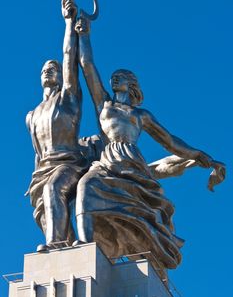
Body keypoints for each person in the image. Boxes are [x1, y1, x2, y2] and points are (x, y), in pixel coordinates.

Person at [74, 16, 224, 278]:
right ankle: (84, 246)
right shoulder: (104, 106)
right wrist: (84, 34)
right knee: (86, 186)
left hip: (132, 162)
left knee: (144, 213)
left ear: (131, 85)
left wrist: (202, 157)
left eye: (119, 77)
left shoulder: (141, 115)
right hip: (108, 161)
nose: (113, 79)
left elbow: (171, 141)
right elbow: (87, 66)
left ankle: (150, 252)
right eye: (113, 77)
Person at [26, 0, 89, 251]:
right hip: (42, 169)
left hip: (69, 163)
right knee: (44, 208)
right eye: (43, 70)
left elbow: (69, 57)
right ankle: (67, 247)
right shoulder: (31, 115)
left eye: (52, 69)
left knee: (54, 189)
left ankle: (55, 245)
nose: (47, 72)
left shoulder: (68, 98)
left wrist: (67, 22)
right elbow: (37, 153)